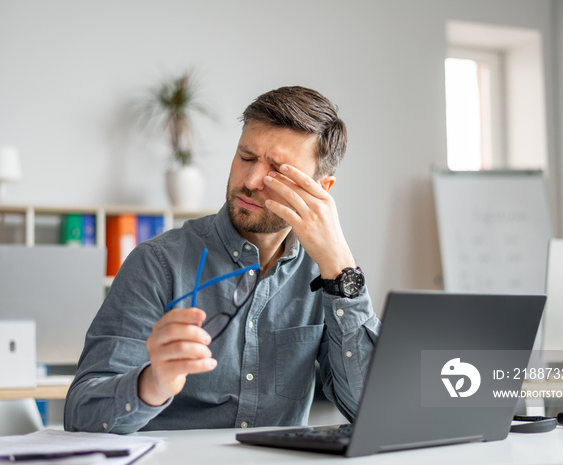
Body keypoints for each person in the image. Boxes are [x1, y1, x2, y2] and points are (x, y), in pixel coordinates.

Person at [64, 86, 381, 433]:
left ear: (322, 189)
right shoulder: (156, 263)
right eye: (246, 157)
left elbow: (375, 414)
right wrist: (152, 384)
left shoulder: (325, 277)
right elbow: (81, 414)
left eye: (277, 170)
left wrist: (341, 269)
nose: (250, 181)